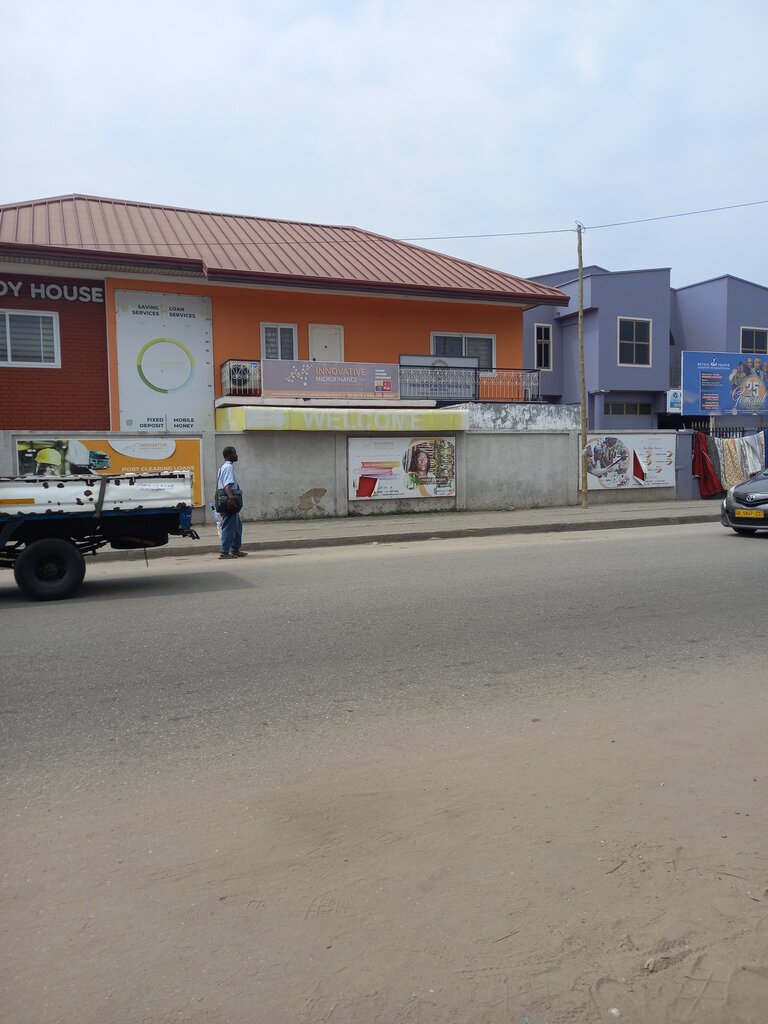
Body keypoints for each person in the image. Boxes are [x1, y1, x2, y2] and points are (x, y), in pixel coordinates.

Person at [217, 446, 247, 560]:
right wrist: (231, 498)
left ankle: (235, 550)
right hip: (229, 499)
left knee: (237, 526)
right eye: (234, 453)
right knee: (229, 527)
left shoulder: (223, 467)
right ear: (229, 455)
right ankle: (224, 552)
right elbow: (227, 485)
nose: (236, 455)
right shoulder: (228, 467)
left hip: (226, 498)